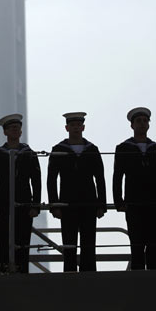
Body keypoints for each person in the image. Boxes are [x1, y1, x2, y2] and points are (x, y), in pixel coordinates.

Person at [112, 107, 156, 270]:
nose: (142, 124)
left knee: (155, 245)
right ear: (132, 125)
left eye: (145, 121)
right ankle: (138, 277)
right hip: (134, 203)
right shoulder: (123, 148)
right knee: (137, 244)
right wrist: (118, 201)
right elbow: (118, 176)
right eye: (138, 121)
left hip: (155, 203)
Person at [47, 112, 106, 272]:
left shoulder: (92, 149)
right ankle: (69, 276)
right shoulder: (58, 150)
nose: (76, 128)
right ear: (67, 128)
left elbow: (100, 178)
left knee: (89, 244)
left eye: (78, 125)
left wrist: (101, 204)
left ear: (83, 127)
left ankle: (90, 276)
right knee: (69, 245)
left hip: (89, 202)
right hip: (67, 204)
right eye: (72, 125)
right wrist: (54, 205)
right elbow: (51, 180)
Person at [0, 113, 41, 273]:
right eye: (11, 128)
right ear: (5, 132)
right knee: (4, 239)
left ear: (21, 131)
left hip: (24, 202)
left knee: (23, 240)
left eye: (17, 128)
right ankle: (4, 270)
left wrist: (36, 205)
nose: (15, 130)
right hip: (3, 204)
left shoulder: (29, 154)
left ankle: (23, 271)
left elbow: (36, 181)